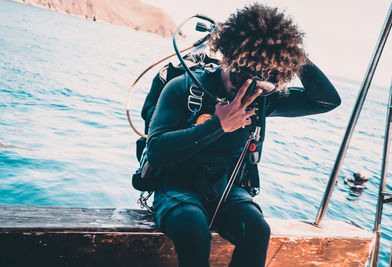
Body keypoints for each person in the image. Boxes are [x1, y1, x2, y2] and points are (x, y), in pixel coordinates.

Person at [145, 3, 341, 267]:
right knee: (193, 227)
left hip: (227, 190)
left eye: (257, 81)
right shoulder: (185, 87)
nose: (245, 87)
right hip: (176, 187)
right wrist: (217, 125)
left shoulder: (261, 100)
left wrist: (291, 55)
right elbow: (156, 152)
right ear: (229, 57)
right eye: (240, 74)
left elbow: (326, 101)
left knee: (257, 230)